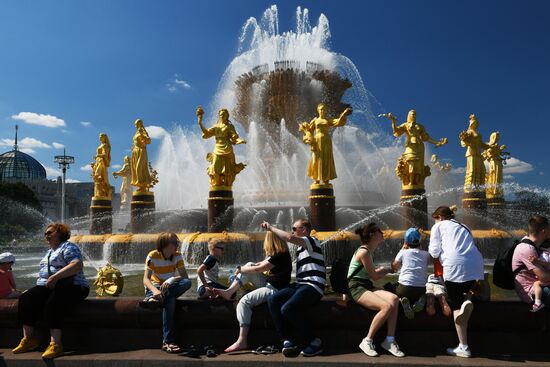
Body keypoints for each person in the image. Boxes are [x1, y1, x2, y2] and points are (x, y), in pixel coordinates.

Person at [13, 223, 90, 359]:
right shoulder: (49, 252)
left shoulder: (68, 246)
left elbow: (77, 265)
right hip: (52, 286)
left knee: (53, 302)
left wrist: (55, 276)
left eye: (50, 233)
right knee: (26, 299)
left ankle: (56, 344)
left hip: (75, 286)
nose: (46, 235)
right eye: (45, 233)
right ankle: (29, 340)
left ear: (60, 233)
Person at [215, 232, 292, 352]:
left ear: (271, 241)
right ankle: (229, 292)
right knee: (249, 265)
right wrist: (243, 269)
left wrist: (240, 269)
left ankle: (242, 340)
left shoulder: (280, 255)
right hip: (269, 285)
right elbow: (257, 265)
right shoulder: (278, 253)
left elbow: (259, 269)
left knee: (244, 302)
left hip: (274, 290)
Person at [264, 218, 326, 357]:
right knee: (273, 299)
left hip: (313, 285)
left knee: (288, 308)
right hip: (300, 285)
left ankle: (315, 342)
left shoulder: (312, 241)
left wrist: (271, 228)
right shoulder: (300, 249)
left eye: (294, 228)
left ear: (304, 230)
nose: (291, 231)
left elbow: (289, 238)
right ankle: (288, 340)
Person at [429, 206, 484, 358]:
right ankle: (469, 299)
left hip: (454, 267)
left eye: (435, 218)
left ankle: (463, 346)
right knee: (466, 288)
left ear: (439, 216)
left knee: (456, 306)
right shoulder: (464, 226)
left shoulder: (438, 226)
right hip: (476, 265)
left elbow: (433, 252)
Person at [349, 223, 404, 358]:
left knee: (394, 299)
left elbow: (371, 274)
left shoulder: (369, 251)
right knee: (386, 306)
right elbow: (375, 276)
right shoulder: (364, 252)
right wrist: (388, 269)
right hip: (356, 287)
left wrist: (385, 269)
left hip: (366, 285)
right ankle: (367, 341)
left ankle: (389, 341)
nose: (382, 232)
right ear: (373, 235)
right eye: (379, 231)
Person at [143, 232, 191, 353]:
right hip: (156, 286)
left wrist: (171, 279)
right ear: (164, 244)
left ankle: (151, 299)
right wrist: (155, 291)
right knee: (170, 300)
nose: (177, 245)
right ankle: (168, 341)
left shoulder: (178, 256)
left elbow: (184, 277)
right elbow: (145, 279)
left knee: (187, 283)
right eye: (174, 243)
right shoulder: (152, 255)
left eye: (177, 242)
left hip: (170, 286)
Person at [385, 110, 447, 188]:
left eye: (415, 115)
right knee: (410, 161)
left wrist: (437, 142)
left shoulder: (420, 126)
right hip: (410, 146)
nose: (414, 116)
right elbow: (396, 132)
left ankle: (416, 183)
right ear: (409, 115)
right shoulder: (406, 125)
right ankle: (409, 182)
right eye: (412, 114)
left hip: (419, 147)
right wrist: (393, 121)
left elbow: (426, 138)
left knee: (418, 165)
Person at [299, 103, 352, 185]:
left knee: (326, 158)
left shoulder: (327, 120)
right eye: (321, 109)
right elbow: (309, 130)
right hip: (317, 140)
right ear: (318, 111)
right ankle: (316, 177)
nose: (322, 111)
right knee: (316, 158)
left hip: (326, 141)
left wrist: (344, 114)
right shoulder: (315, 121)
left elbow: (338, 122)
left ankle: (326, 179)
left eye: (323, 109)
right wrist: (307, 136)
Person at [197, 106, 246, 188]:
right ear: (219, 116)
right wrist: (200, 122)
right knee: (215, 166)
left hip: (227, 147)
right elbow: (206, 133)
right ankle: (217, 183)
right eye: (221, 115)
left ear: (227, 116)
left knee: (228, 168)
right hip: (218, 147)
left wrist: (239, 141)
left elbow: (235, 137)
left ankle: (227, 184)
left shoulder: (230, 126)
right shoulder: (216, 126)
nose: (222, 116)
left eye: (224, 115)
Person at [512, 215, 550, 310]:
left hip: (540, 286)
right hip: (532, 292)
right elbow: (544, 277)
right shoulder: (527, 248)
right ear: (543, 231)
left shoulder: (535, 245)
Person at [391, 228, 429, 319]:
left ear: (406, 242)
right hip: (420, 289)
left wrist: (402, 249)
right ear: (420, 241)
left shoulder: (403, 252)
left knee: (389, 286)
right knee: (423, 291)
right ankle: (421, 298)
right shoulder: (426, 254)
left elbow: (394, 267)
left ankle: (402, 300)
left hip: (404, 288)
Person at [459, 114, 489, 192]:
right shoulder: (469, 132)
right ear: (471, 124)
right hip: (471, 153)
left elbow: (482, 144)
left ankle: (479, 188)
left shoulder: (478, 134)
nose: (475, 124)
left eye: (476, 123)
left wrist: (490, 146)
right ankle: (470, 188)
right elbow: (463, 142)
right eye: (474, 123)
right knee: (472, 170)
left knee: (482, 170)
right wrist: (465, 140)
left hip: (478, 154)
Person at [131, 119, 152, 193]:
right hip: (136, 152)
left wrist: (144, 138)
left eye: (136, 124)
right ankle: (141, 186)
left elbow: (149, 141)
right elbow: (135, 142)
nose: (135, 125)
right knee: (135, 168)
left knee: (139, 167)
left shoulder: (143, 131)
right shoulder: (136, 132)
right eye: (135, 124)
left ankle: (141, 182)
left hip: (141, 151)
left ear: (139, 124)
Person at [528, 241, 550, 312]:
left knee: (536, 284)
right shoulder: (546, 254)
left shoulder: (545, 254)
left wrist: (537, 261)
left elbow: (546, 264)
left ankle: (538, 303)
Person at [92, 133, 112, 198]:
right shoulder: (101, 145)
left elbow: (105, 154)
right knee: (98, 177)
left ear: (104, 138)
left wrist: (97, 155)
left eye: (101, 137)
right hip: (98, 161)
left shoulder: (105, 145)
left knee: (98, 176)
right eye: (99, 137)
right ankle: (99, 193)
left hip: (102, 162)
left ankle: (104, 192)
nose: (100, 138)